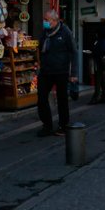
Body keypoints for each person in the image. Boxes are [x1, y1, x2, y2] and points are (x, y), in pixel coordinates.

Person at [37, 9, 78, 137]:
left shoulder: (65, 32)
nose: (44, 22)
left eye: (46, 20)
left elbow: (74, 52)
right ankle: (47, 125)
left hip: (61, 71)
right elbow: (40, 48)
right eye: (44, 20)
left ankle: (63, 125)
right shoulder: (45, 32)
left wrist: (74, 73)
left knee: (62, 99)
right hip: (46, 71)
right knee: (41, 98)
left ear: (55, 21)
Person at [90, 30, 105, 105]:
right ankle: (104, 96)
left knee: (98, 80)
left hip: (99, 62)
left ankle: (96, 97)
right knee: (102, 80)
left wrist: (93, 52)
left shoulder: (100, 41)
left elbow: (97, 51)